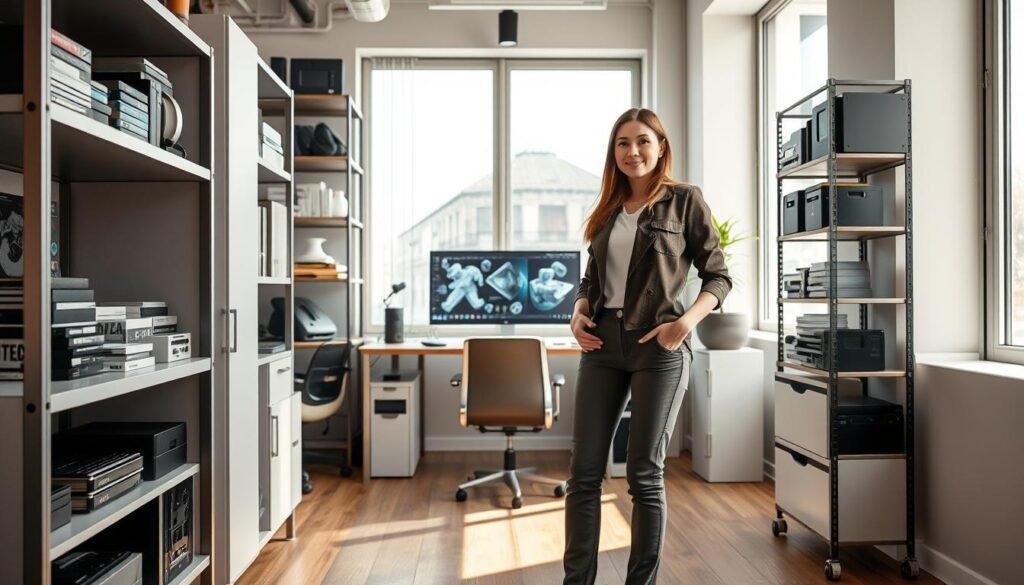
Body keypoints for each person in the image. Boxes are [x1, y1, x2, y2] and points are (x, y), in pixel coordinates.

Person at [563, 108, 732, 585]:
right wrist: (577, 312)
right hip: (600, 345)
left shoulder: (684, 201)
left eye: (642, 141)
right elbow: (592, 278)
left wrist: (685, 324)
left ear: (660, 147)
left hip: (659, 346)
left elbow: (718, 275)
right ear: (612, 152)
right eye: (622, 143)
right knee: (584, 475)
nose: (631, 152)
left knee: (643, 473)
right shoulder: (606, 210)